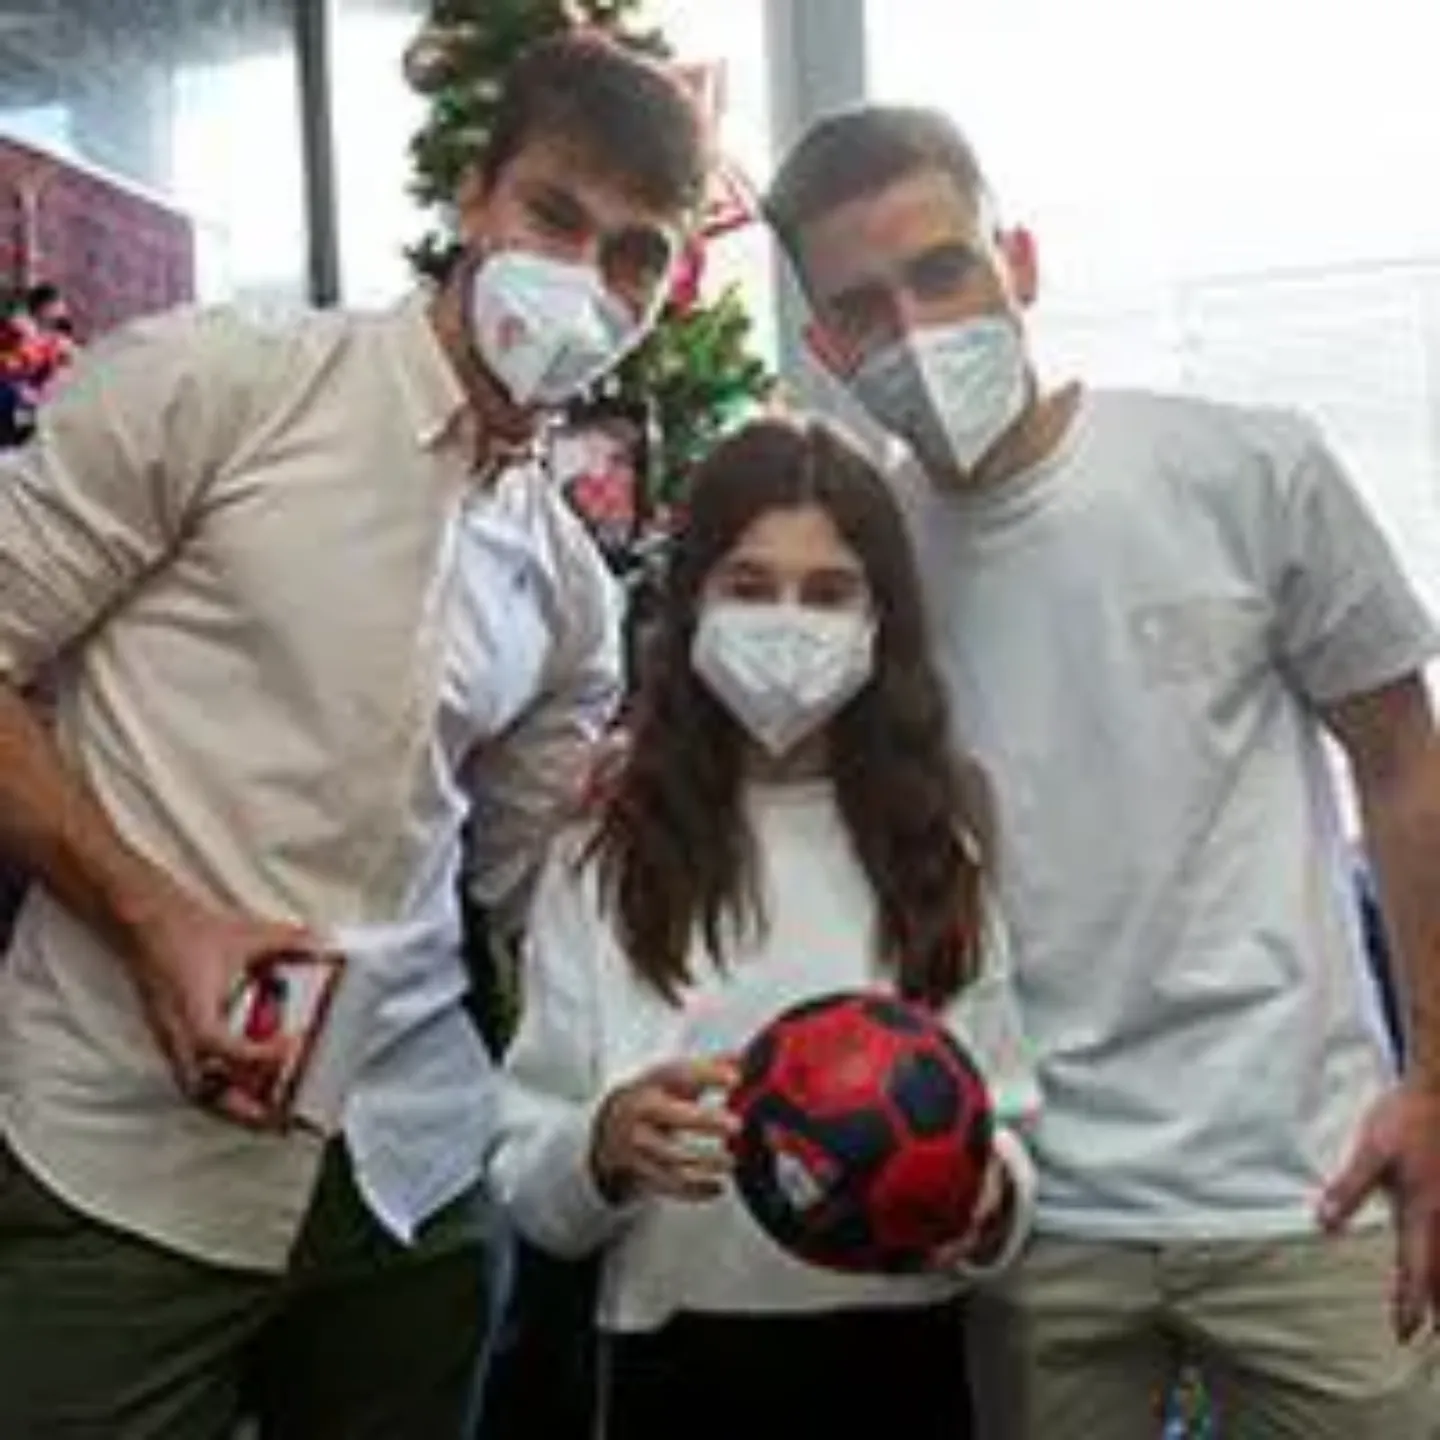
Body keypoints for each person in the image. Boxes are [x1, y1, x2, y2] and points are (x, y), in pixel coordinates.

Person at [0, 32, 704, 1440]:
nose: (584, 281)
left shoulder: (570, 591)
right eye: (555, 216)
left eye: (634, 255)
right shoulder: (222, 389)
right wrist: (153, 919)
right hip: (121, 1166)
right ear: (473, 196)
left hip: (411, 1184)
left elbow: (524, 883)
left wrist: (650, 818)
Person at [764, 106, 1440, 1438]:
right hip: (1030, 1210)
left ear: (1016, 262)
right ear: (826, 350)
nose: (914, 330)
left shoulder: (1245, 470)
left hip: (1303, 1184)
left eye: (943, 271)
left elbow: (1406, 770)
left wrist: (1438, 1084)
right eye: (864, 308)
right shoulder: (863, 562)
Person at [487, 416, 1041, 1440]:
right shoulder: (603, 860)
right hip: (670, 1359)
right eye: (749, 585)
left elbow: (1004, 1119)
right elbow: (528, 1174)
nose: (789, 622)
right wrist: (602, 1145)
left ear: (881, 621)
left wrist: (990, 1201)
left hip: (900, 1357)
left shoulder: (931, 855)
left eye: (829, 593)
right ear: (692, 600)